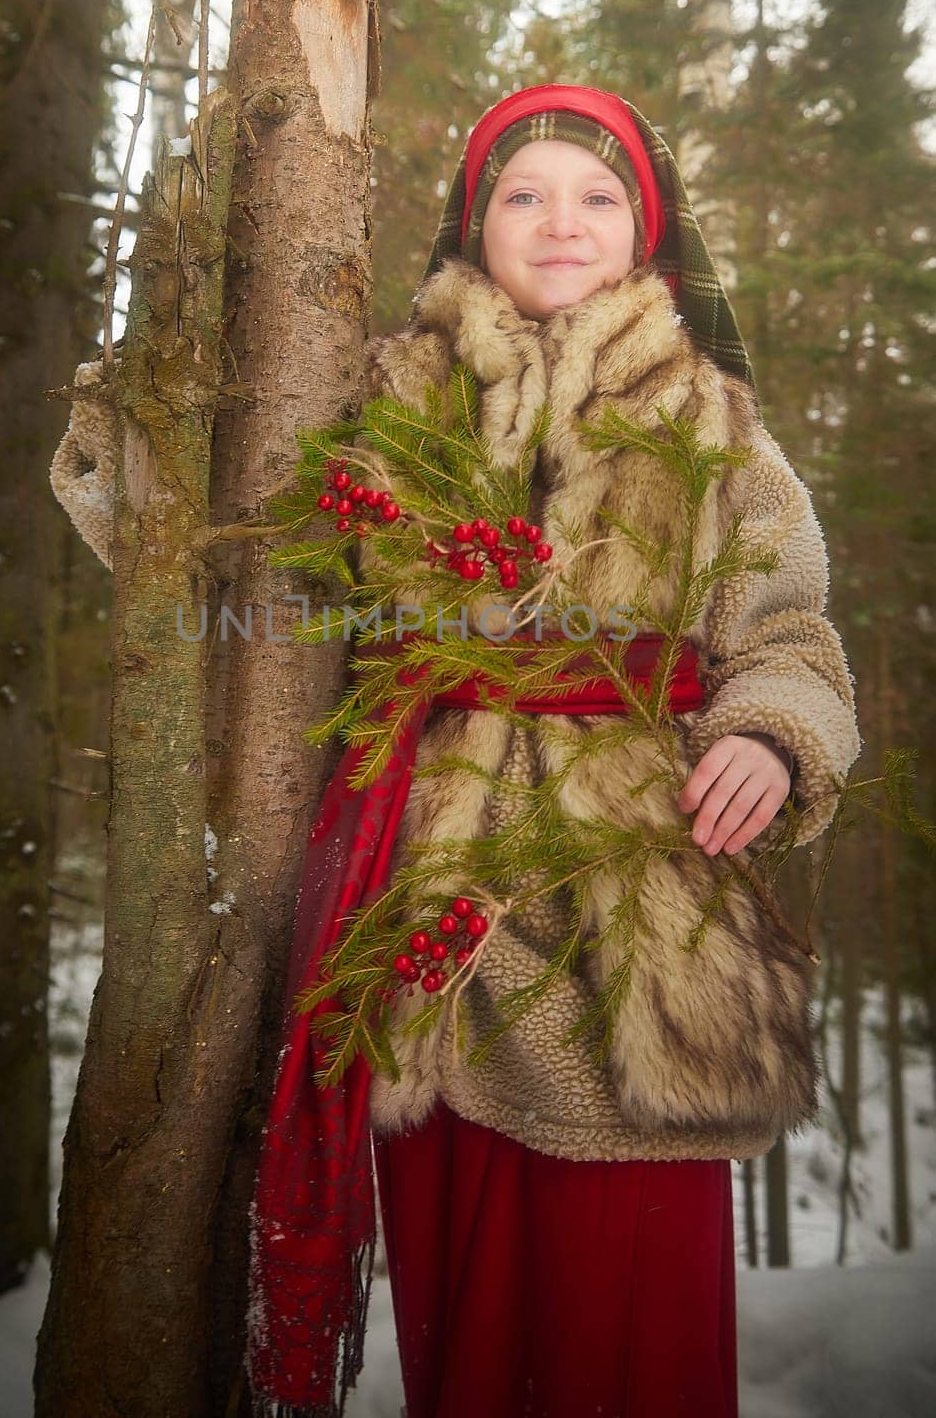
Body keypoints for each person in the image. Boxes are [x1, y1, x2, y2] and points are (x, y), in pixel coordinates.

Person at [245, 83, 861, 1418]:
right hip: (431, 912)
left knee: (626, 1328)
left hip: (636, 922)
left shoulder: (713, 426)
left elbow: (789, 627)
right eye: (524, 193)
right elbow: (268, 577)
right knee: (468, 1327)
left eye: (597, 196)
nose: (560, 221)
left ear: (648, 235)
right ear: (474, 223)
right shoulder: (386, 405)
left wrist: (773, 736)